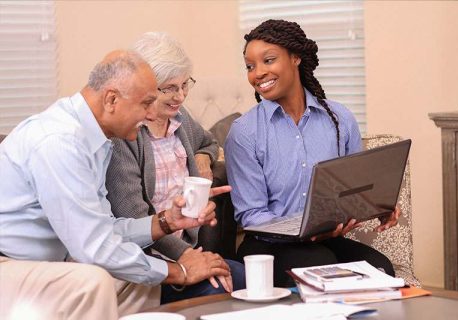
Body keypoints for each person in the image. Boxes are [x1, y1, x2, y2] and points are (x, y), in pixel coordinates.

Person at [0, 50, 232, 319]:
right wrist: (179, 271)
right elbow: (95, 248)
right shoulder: (60, 142)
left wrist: (166, 221)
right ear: (111, 99)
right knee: (93, 281)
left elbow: (102, 228)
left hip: (50, 262)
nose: (149, 115)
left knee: (140, 284)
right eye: (146, 104)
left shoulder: (95, 139)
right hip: (9, 263)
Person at [225, 19, 401, 287]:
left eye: (268, 60)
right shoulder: (245, 132)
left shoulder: (340, 119)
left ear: (295, 58)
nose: (258, 73)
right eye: (250, 66)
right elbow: (251, 215)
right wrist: (302, 230)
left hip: (328, 239)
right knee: (318, 264)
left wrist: (379, 206)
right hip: (268, 247)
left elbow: (354, 189)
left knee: (381, 269)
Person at [105, 32, 245, 304]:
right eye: (168, 88)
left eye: (184, 85)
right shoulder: (125, 136)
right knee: (220, 290)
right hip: (147, 263)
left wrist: (203, 158)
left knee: (242, 276)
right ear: (144, 86)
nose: (179, 96)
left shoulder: (180, 120)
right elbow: (135, 218)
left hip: (186, 248)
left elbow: (208, 141)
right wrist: (185, 256)